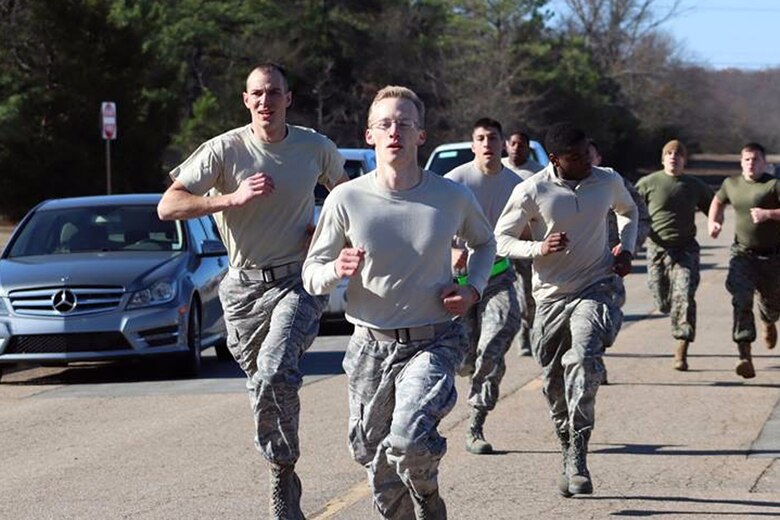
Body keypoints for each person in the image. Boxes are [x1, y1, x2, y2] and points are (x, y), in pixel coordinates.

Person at [157, 62, 346, 520]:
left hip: (297, 281)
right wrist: (230, 199)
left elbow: (351, 198)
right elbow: (169, 205)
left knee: (276, 368)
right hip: (241, 289)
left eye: (274, 93)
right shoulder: (222, 150)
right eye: (258, 94)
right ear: (246, 100)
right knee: (261, 381)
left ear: (288, 98)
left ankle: (281, 475)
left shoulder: (315, 147)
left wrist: (325, 229)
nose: (266, 102)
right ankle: (281, 463)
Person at [303, 86, 496, 519]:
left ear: (420, 136)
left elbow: (486, 244)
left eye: (404, 124)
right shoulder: (346, 198)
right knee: (372, 456)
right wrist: (337, 268)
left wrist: (472, 289)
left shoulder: (450, 196)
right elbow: (311, 275)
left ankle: (427, 495)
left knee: (407, 441)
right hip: (370, 344)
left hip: (433, 340)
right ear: (369, 135)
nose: (395, 132)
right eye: (385, 124)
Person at [495, 122, 637, 497]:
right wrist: (538, 249)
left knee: (585, 358)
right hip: (550, 298)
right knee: (554, 382)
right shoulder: (532, 189)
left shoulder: (606, 180)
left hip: (596, 284)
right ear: (556, 160)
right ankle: (566, 443)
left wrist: (626, 247)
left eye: (587, 153)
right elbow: (501, 239)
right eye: (575, 158)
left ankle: (579, 454)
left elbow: (628, 210)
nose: (586, 163)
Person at [444, 118, 522, 455]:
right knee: (463, 359)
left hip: (498, 277)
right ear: (472, 145)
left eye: (493, 137)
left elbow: (534, 227)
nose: (487, 143)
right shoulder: (454, 182)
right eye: (480, 138)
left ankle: (476, 422)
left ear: (503, 144)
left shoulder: (517, 185)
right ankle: (466, 365)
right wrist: (450, 250)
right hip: (456, 284)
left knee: (496, 340)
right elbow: (430, 227)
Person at [636, 140, 714, 372]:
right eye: (669, 153)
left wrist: (716, 222)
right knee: (662, 301)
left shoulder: (693, 185)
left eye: (678, 154)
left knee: (685, 295)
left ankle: (681, 347)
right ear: (663, 158)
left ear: (684, 160)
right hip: (657, 249)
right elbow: (630, 209)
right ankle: (668, 307)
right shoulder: (648, 183)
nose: (673, 157)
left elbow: (714, 207)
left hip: (686, 249)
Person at [708, 142, 780, 379]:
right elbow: (718, 201)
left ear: (764, 162)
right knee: (741, 298)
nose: (751, 163)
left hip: (772, 256)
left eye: (756, 159)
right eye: (747, 159)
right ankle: (744, 354)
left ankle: (768, 321)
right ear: (741, 162)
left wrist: (768, 214)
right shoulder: (732, 184)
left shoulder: (773, 184)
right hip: (742, 254)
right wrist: (714, 222)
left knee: (772, 306)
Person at [503, 131, 544, 357]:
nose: (517, 148)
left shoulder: (538, 173)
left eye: (522, 144)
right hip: (500, 242)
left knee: (528, 292)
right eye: (513, 143)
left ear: (528, 147)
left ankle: (529, 333)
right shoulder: (497, 169)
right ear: (506, 145)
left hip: (527, 241)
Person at [588, 139, 651, 251]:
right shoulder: (563, 188)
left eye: (589, 158)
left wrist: (627, 246)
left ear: (598, 159)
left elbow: (642, 217)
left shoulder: (615, 183)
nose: (584, 163)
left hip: (611, 258)